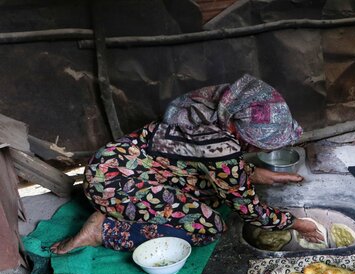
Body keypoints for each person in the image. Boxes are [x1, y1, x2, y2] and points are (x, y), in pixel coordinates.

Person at [51, 74, 322, 253]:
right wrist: (296, 223)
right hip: (114, 185)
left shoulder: (205, 113)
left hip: (120, 165)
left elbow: (197, 160)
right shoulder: (220, 146)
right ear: (239, 132)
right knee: (208, 227)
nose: (256, 149)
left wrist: (255, 174)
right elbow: (251, 211)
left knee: (212, 196)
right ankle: (104, 230)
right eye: (257, 143)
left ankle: (116, 210)